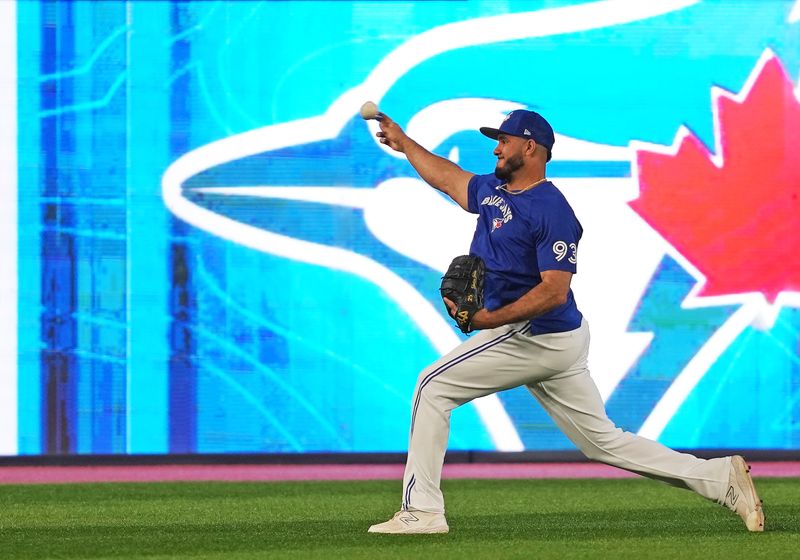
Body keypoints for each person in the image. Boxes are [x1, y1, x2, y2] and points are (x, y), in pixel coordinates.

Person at [367, 109, 764, 534]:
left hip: (537, 335)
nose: (496, 147)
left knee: (433, 386)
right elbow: (449, 177)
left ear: (530, 146)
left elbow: (553, 290)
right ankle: (722, 478)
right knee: (602, 442)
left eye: (504, 140)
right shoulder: (494, 190)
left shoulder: (552, 211)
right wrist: (405, 143)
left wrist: (489, 319)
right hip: (558, 337)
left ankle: (422, 511)